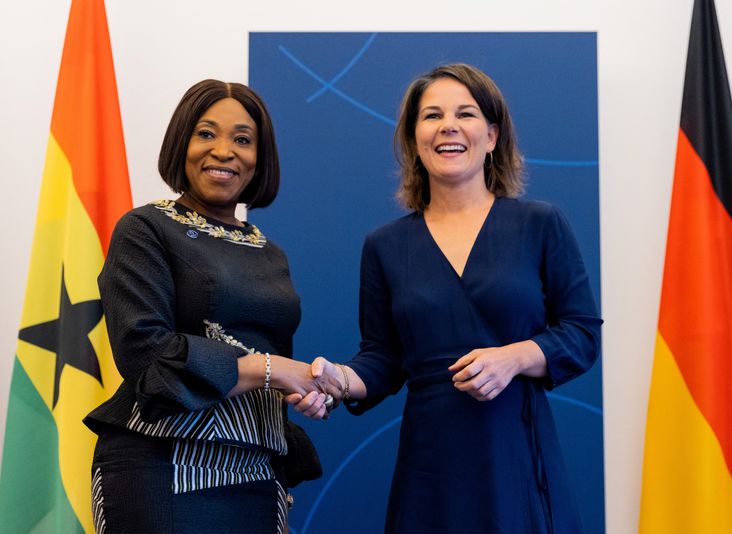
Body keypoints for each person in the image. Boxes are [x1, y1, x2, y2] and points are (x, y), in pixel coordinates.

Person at [287, 64, 602, 533]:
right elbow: (383, 358)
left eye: (466, 114)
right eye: (432, 115)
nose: (448, 126)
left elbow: (581, 333)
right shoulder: (385, 246)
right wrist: (338, 382)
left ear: (492, 136)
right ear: (415, 139)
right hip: (430, 464)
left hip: (516, 454)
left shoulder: (540, 224)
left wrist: (513, 359)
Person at [84, 79, 335, 533]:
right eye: (206, 133)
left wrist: (304, 390)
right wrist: (273, 369)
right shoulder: (145, 229)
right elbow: (146, 356)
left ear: (260, 159)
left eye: (242, 139)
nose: (224, 150)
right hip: (162, 461)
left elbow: (270, 359)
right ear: (182, 142)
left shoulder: (270, 251)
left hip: (259, 465)